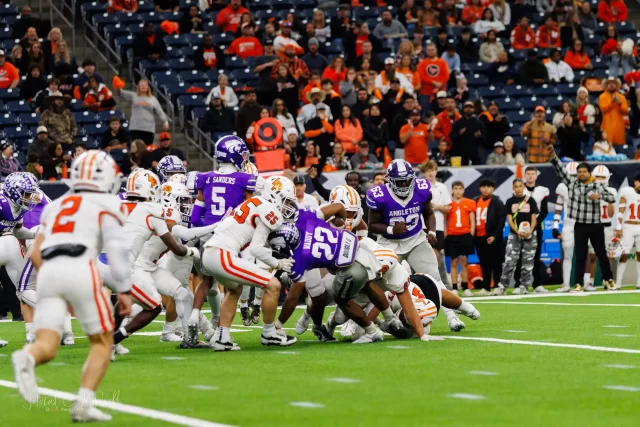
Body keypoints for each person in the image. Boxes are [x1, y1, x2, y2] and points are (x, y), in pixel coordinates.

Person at [10, 152, 130, 421]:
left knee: (47, 345)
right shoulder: (108, 203)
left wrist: (56, 279)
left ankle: (27, 357)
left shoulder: (57, 206)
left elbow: (35, 253)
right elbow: (117, 250)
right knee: (102, 341)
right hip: (81, 267)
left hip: (50, 272)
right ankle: (84, 404)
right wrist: (124, 290)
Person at [366, 159, 467, 331]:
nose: (405, 184)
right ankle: (360, 322)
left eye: (407, 180)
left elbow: (429, 213)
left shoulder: (421, 189)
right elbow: (372, 224)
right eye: (400, 181)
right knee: (375, 282)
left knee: (435, 279)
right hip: (389, 243)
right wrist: (391, 229)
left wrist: (432, 232)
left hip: (415, 240)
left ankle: (451, 316)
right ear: (389, 180)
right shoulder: (379, 195)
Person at [548, 146, 617, 292]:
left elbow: (612, 197)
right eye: (579, 172)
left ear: (589, 173)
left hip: (596, 224)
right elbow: (561, 171)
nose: (581, 174)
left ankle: (609, 280)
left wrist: (600, 196)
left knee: (601, 254)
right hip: (579, 225)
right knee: (580, 255)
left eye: (584, 171)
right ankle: (578, 284)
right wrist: (554, 156)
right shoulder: (572, 184)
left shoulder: (598, 185)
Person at [493, 179, 539, 295]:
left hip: (530, 235)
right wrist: (517, 231)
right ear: (513, 188)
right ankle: (502, 286)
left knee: (528, 262)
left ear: (524, 187)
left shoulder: (530, 201)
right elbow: (509, 220)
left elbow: (534, 219)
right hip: (514, 235)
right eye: (516, 186)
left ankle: (524, 286)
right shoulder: (509, 201)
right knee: (509, 261)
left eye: (520, 186)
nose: (518, 188)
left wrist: (530, 231)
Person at [516, 166, 550, 294]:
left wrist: (534, 224)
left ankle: (537, 284)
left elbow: (544, 210)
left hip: (536, 227)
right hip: (521, 228)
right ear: (525, 175)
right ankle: (520, 285)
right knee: (520, 256)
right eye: (528, 174)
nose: (530, 176)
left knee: (536, 256)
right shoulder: (519, 189)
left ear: (536, 176)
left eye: (532, 174)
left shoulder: (543, 190)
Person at [421, 160, 452, 289]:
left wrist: (437, 207)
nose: (431, 173)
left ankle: (434, 282)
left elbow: (448, 208)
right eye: (428, 170)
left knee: (436, 256)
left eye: (433, 170)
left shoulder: (441, 187)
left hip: (438, 226)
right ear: (424, 172)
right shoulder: (420, 186)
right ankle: (426, 282)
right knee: (423, 255)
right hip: (422, 225)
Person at [472, 178, 504, 296]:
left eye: (489, 186)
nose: (486, 189)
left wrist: (494, 235)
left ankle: (497, 285)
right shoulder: (475, 201)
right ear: (480, 188)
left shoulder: (497, 202)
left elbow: (501, 221)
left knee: (496, 263)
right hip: (479, 237)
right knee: (484, 264)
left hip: (493, 238)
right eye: (483, 186)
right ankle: (486, 287)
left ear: (493, 188)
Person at [445, 181, 476, 295]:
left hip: (465, 234)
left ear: (463, 190)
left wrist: (471, 233)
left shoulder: (470, 203)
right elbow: (444, 219)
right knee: (453, 261)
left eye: (460, 188)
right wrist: (445, 233)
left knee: (464, 261)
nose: (458, 191)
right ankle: (454, 287)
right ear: (452, 190)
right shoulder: (448, 204)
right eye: (456, 188)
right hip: (452, 235)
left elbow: (472, 219)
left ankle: (466, 286)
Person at [119, 79, 168, 146]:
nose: (143, 86)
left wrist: (165, 121)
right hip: (135, 128)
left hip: (148, 129)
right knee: (136, 148)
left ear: (148, 87)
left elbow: (160, 112)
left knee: (148, 149)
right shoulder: (133, 96)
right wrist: (118, 86)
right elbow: (121, 93)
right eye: (141, 85)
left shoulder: (153, 99)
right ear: (138, 87)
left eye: (145, 85)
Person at [614, 174, 640, 290]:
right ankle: (618, 283)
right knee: (624, 254)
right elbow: (620, 211)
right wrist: (619, 227)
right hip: (628, 226)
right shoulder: (627, 192)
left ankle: (639, 283)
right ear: (635, 182)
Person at [449, 100, 485, 165]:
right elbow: (452, 137)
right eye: (466, 107)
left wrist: (479, 136)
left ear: (474, 109)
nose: (468, 109)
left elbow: (484, 139)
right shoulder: (457, 123)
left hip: (474, 154)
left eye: (471, 107)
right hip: (460, 155)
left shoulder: (479, 123)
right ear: (463, 109)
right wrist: (459, 134)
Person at [416, 43, 450, 112]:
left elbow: (446, 75)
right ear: (426, 51)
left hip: (441, 92)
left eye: (432, 50)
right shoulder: (422, 63)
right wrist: (433, 82)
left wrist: (440, 83)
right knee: (426, 113)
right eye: (429, 50)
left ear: (436, 50)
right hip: (425, 93)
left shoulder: (443, 62)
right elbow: (421, 76)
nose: (431, 51)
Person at [598, 77, 629, 146]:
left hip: (619, 127)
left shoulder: (622, 97)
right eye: (609, 83)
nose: (611, 85)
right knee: (607, 148)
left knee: (620, 149)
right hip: (607, 127)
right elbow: (603, 110)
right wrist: (612, 102)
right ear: (606, 85)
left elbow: (626, 111)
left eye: (613, 83)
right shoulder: (602, 97)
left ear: (617, 85)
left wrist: (619, 104)